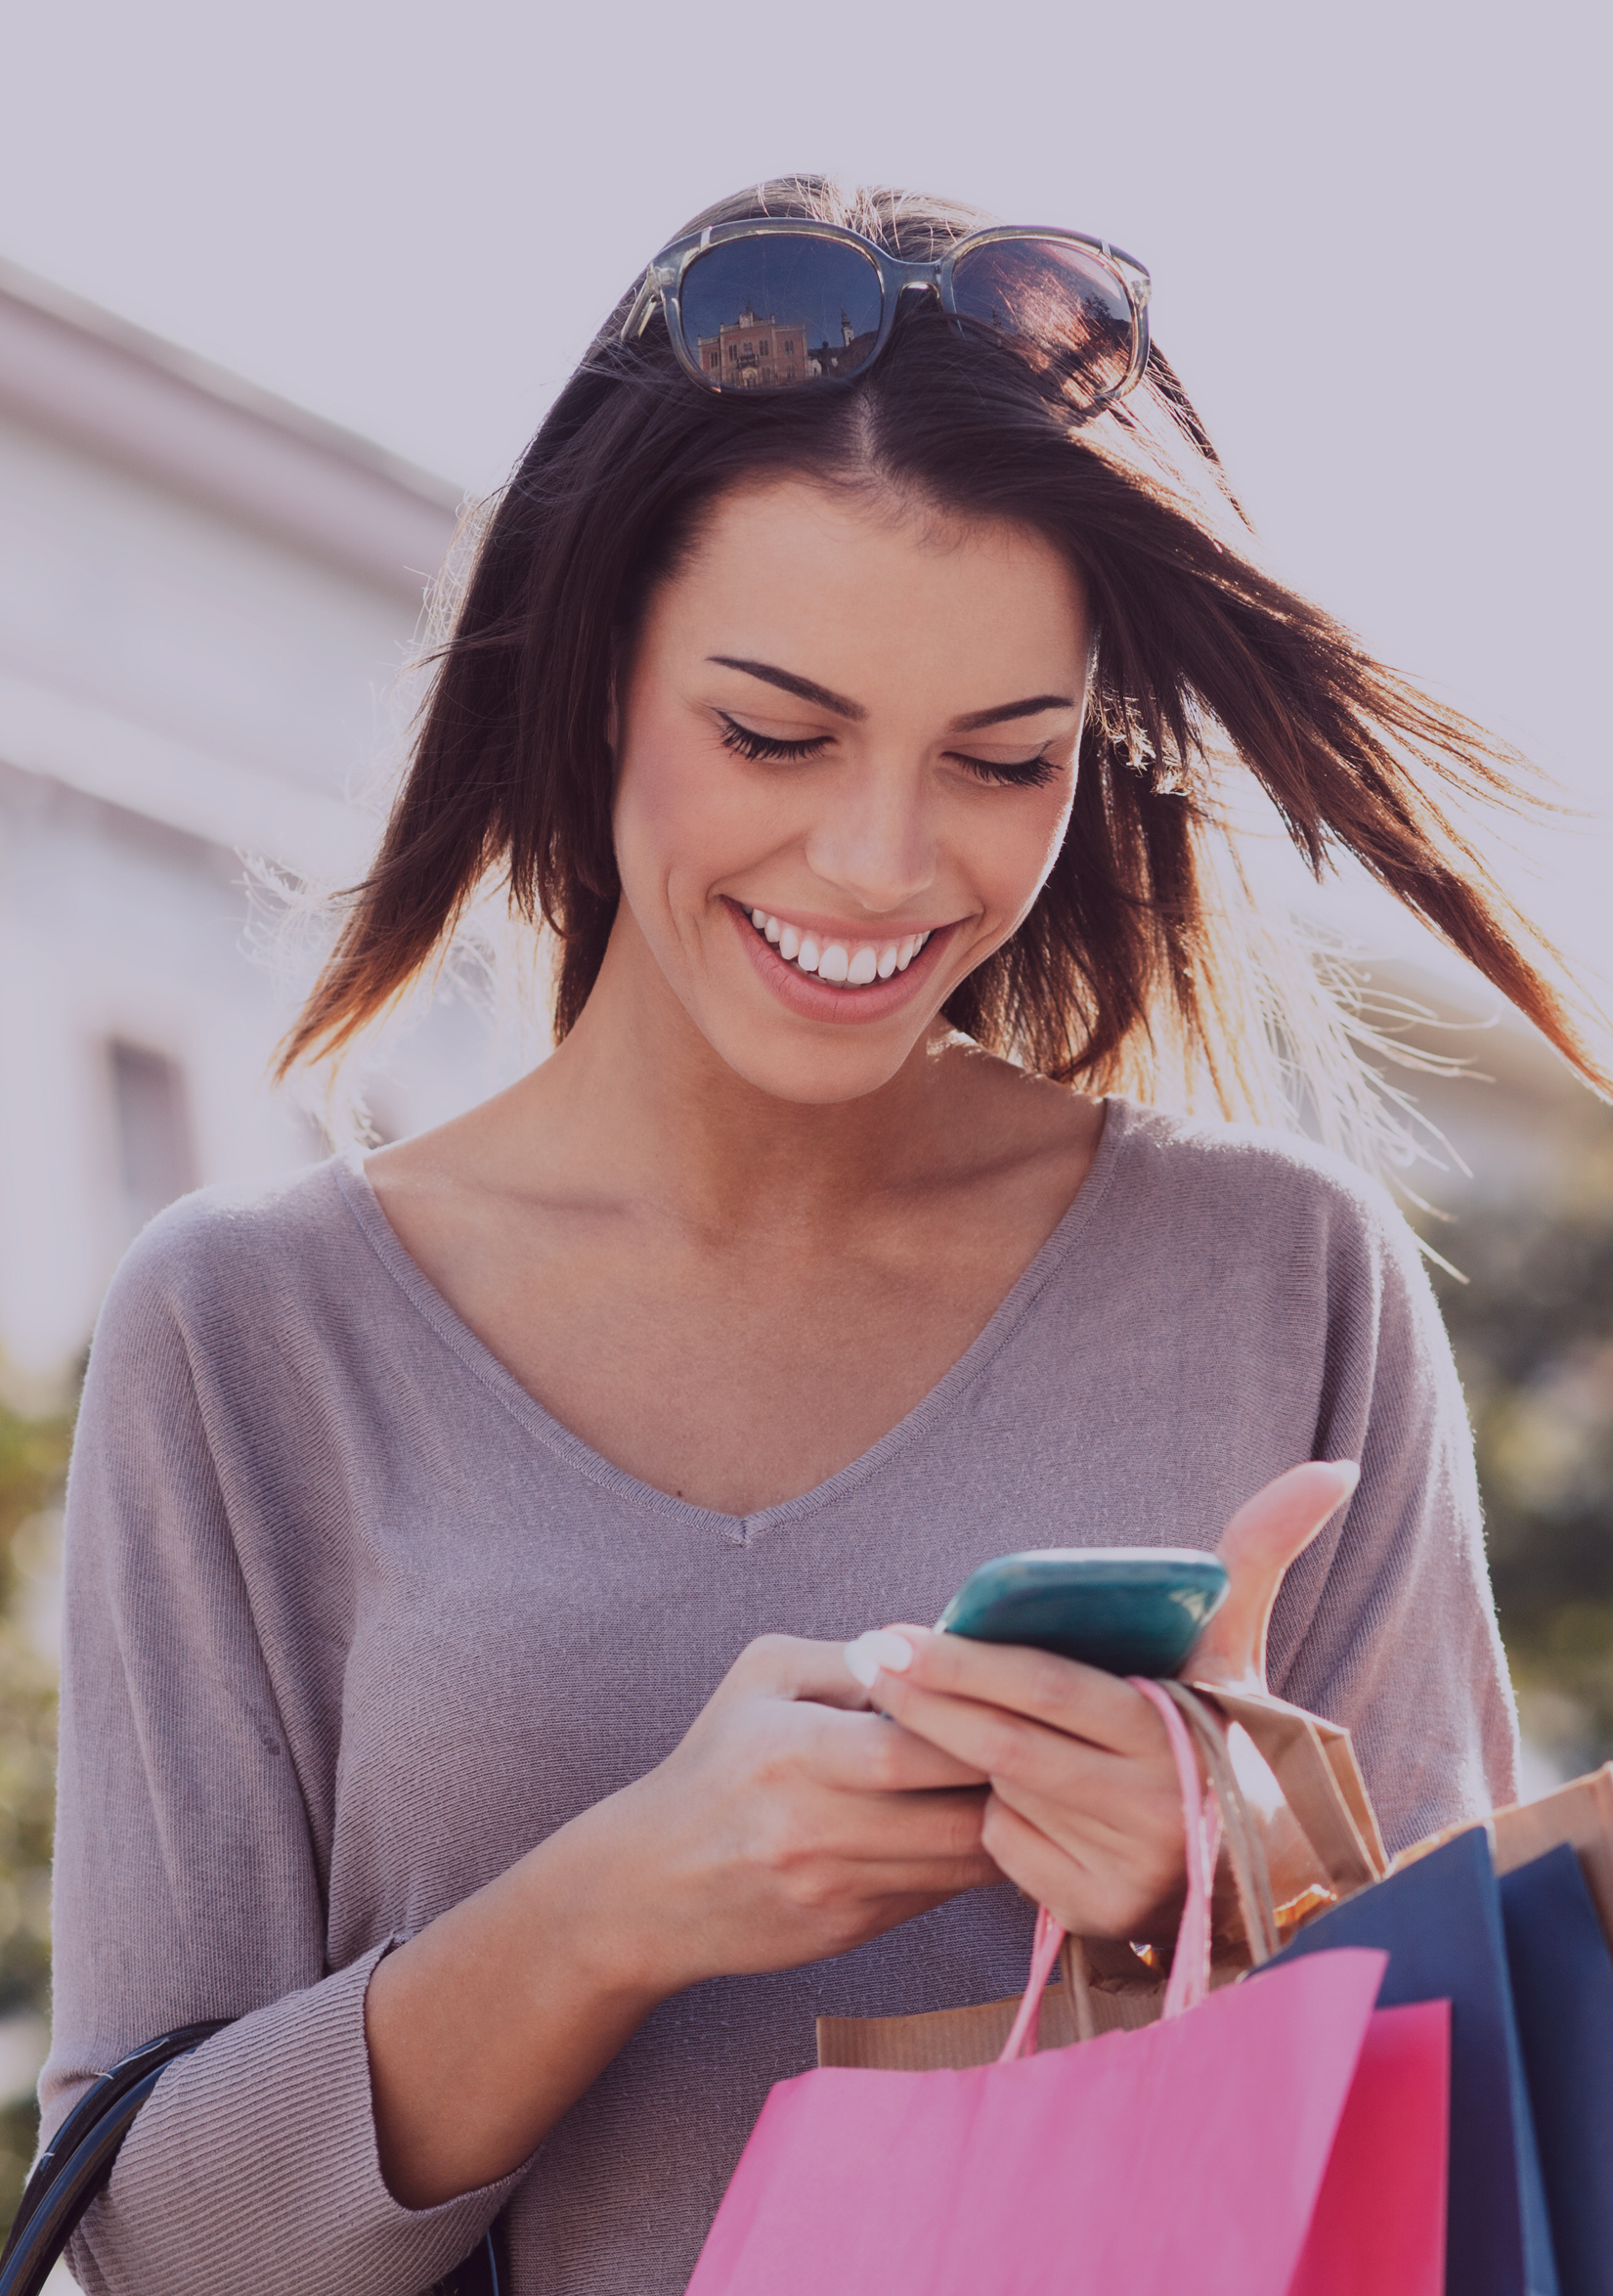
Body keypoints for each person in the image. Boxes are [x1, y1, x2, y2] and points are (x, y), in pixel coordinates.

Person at [42, 178, 1608, 2296]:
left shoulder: (1282, 1278)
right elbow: (160, 2251)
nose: (882, 866)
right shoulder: (251, 1334)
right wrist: (615, 1906)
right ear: (593, 677)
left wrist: (1220, 1882)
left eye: (1004, 760)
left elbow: (1482, 2166)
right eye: (773, 735)